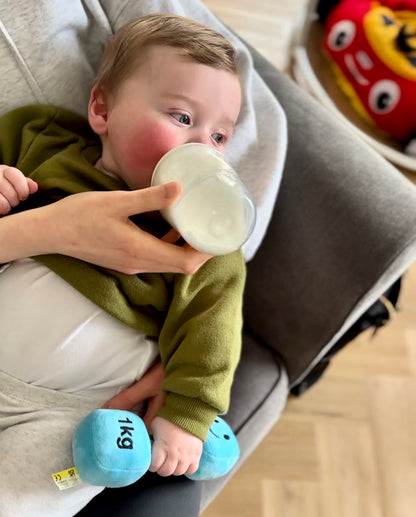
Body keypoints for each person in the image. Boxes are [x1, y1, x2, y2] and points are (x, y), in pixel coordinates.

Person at [0, 13, 245, 517]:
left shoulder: (203, 240)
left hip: (66, 410)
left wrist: (189, 414)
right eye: (182, 118)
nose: (203, 147)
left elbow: (213, 329)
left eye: (220, 137)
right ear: (101, 108)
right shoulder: (43, 138)